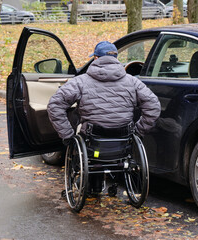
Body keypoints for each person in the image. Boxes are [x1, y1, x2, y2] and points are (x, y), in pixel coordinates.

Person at [47, 41, 161, 193]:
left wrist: (67, 134)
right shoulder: (132, 82)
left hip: (92, 142)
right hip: (123, 140)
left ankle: (91, 184)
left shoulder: (80, 82)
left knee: (83, 137)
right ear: (116, 58)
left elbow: (54, 105)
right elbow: (153, 105)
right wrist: (139, 130)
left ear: (95, 58)